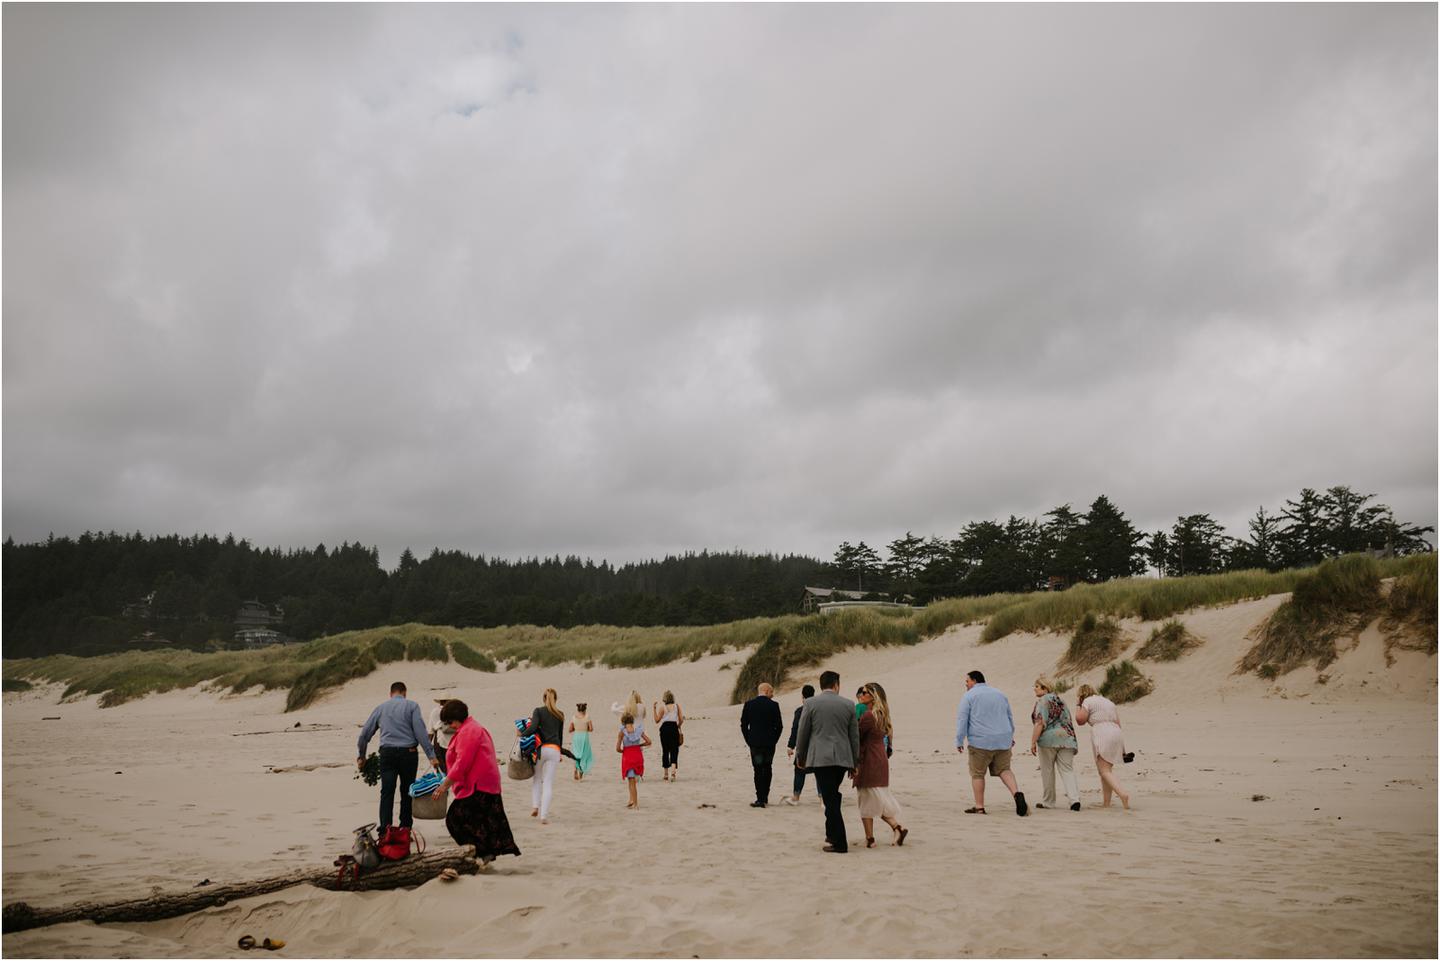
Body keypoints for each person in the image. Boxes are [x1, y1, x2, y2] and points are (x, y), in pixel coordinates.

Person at [433, 699, 521, 864]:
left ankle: (480, 853)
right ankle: (484, 854)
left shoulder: (469, 731)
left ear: (457, 718)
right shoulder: (471, 728)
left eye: (450, 722)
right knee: (480, 821)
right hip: (484, 783)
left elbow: (462, 762)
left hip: (479, 785)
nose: (449, 726)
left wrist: (445, 784)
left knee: (454, 819)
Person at [792, 670, 861, 853]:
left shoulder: (811, 703)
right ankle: (831, 834)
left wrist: (801, 755)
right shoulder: (848, 704)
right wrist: (855, 762)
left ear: (821, 685)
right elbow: (854, 737)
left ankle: (840, 843)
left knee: (830, 798)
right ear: (836, 684)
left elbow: (803, 731)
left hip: (821, 758)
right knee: (833, 795)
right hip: (842, 758)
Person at [356, 681, 439, 832]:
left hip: (387, 754)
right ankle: (405, 829)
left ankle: (385, 831)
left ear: (391, 694)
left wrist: (361, 756)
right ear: (405, 693)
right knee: (407, 791)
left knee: (387, 792)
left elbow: (364, 734)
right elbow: (420, 732)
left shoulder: (381, 708)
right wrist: (431, 755)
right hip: (409, 754)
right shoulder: (412, 706)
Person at [955, 670, 1028, 817]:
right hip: (1003, 738)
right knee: (1005, 770)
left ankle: (979, 807)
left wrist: (959, 739)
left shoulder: (969, 696)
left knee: (977, 774)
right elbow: (1009, 716)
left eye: (967, 681)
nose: (966, 684)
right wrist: (1010, 735)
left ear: (974, 681)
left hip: (980, 741)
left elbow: (963, 719)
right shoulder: (999, 694)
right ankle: (1017, 793)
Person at [853, 683, 908, 847]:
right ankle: (873, 837)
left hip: (869, 759)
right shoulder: (883, 715)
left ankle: (893, 828)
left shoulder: (869, 716)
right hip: (880, 759)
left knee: (867, 798)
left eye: (864, 693)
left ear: (872, 696)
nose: (861, 695)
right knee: (874, 798)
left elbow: (856, 736)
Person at [1028, 678, 1081, 812]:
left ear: (1045, 689)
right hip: (1067, 738)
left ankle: (1049, 802)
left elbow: (1040, 722)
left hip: (1048, 739)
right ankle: (1074, 799)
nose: (1035, 688)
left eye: (1037, 686)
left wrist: (1033, 741)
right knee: (1067, 770)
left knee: (1047, 770)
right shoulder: (1061, 700)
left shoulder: (1042, 701)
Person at [1075, 683, 1131, 810]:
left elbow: (1080, 720)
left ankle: (1123, 794)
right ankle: (1106, 803)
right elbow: (1118, 723)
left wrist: (1078, 704)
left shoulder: (1087, 701)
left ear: (1082, 694)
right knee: (1106, 770)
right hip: (1116, 731)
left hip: (1102, 732)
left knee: (1104, 771)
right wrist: (1123, 748)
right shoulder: (1108, 702)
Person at [520, 688, 566, 824]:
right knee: (548, 783)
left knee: (537, 778)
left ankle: (535, 806)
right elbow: (560, 736)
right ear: (555, 699)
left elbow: (533, 727)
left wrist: (522, 734)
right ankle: (544, 816)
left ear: (543, 698)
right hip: (554, 750)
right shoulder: (560, 714)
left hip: (541, 750)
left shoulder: (538, 711)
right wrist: (560, 752)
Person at [740, 682, 784, 807]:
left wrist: (748, 739)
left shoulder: (749, 705)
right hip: (769, 744)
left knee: (758, 769)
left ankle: (760, 797)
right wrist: (774, 739)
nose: (773, 694)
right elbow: (779, 726)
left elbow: (744, 725)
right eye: (771, 692)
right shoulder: (774, 705)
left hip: (755, 744)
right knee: (768, 767)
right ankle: (765, 796)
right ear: (765, 691)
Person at [782, 684, 816, 805]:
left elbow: (795, 730)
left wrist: (791, 746)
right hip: (818, 746)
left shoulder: (800, 711)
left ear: (802, 696)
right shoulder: (818, 709)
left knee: (799, 771)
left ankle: (796, 797)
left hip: (804, 746)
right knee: (819, 772)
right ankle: (823, 799)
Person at [616, 712, 651, 809]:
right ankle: (631, 800)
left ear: (623, 722)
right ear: (632, 721)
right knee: (632, 780)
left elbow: (618, 748)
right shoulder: (638, 730)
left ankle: (635, 804)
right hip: (637, 756)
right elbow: (649, 741)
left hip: (628, 756)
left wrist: (625, 751)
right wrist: (639, 745)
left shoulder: (622, 732)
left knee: (631, 781)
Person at [653, 691, 684, 782]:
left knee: (665, 750)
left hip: (665, 729)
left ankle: (666, 774)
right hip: (674, 728)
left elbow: (657, 720)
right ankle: (673, 773)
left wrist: (654, 709)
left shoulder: (663, 708)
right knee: (674, 749)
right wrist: (678, 726)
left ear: (665, 699)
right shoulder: (677, 707)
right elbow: (681, 719)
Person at [428, 698, 455, 775]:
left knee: (442, 768)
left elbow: (431, 731)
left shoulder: (435, 711)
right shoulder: (454, 711)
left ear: (440, 701)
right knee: (452, 767)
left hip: (440, 742)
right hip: (453, 743)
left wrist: (429, 750)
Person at [569, 703, 594, 781]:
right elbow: (591, 729)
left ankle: (576, 769)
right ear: (585, 710)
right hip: (584, 737)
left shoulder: (574, 717)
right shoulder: (587, 717)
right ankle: (581, 773)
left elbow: (570, 729)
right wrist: (585, 729)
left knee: (576, 754)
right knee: (584, 755)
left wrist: (576, 729)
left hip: (576, 736)